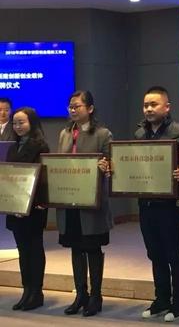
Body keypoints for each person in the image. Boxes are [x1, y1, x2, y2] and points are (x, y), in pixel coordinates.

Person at [135, 86, 179, 322]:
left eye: (154, 104)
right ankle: (161, 299)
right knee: (155, 254)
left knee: (173, 254)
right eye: (146, 105)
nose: (149, 109)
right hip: (146, 203)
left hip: (170, 206)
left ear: (167, 107)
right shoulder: (139, 134)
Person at [56, 90, 113, 317]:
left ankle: (96, 296)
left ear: (90, 108)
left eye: (77, 106)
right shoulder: (64, 134)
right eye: (70, 106)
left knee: (92, 248)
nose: (72, 110)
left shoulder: (103, 134)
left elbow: (112, 164)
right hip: (70, 201)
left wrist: (106, 166)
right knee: (75, 247)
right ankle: (81, 294)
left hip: (91, 203)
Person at [6, 107, 50, 311]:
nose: (17, 126)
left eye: (21, 122)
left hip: (34, 207)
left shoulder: (41, 146)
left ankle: (36, 293)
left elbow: (43, 179)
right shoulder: (12, 148)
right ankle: (26, 290)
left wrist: (31, 202)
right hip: (15, 208)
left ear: (31, 123)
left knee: (34, 249)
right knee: (23, 251)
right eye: (15, 123)